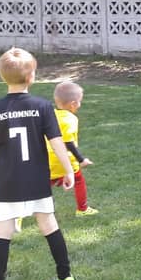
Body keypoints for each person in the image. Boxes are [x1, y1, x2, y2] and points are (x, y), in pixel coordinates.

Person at [0, 48, 77, 280]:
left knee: (3, 231)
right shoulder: (42, 106)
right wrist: (68, 170)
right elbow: (57, 142)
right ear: (32, 77)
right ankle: (66, 277)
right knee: (49, 225)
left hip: (7, 182)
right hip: (36, 180)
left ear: (2, 77)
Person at [47, 81, 98, 216]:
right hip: (67, 161)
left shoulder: (51, 115)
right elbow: (68, 142)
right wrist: (81, 159)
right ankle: (82, 209)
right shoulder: (70, 119)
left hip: (48, 160)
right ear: (73, 104)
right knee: (79, 180)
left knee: (44, 187)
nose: (80, 104)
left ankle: (43, 211)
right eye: (79, 102)